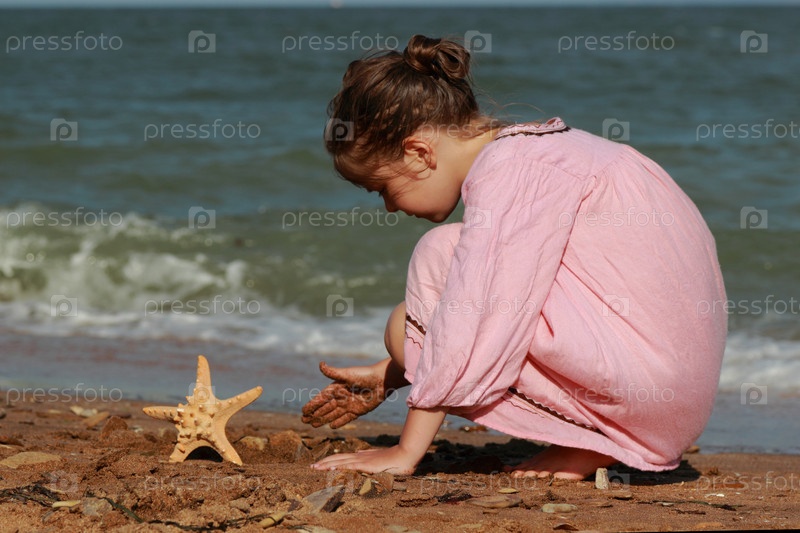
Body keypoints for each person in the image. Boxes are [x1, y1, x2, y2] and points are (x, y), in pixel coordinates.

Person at [302, 35, 727, 479]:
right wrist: (391, 374)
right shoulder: (553, 151)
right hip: (669, 396)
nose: (390, 208)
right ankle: (598, 440)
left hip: (641, 403)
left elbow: (478, 321)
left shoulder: (508, 171)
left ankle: (600, 440)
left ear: (419, 152)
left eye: (383, 189)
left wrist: (406, 450)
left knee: (428, 274)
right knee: (429, 316)